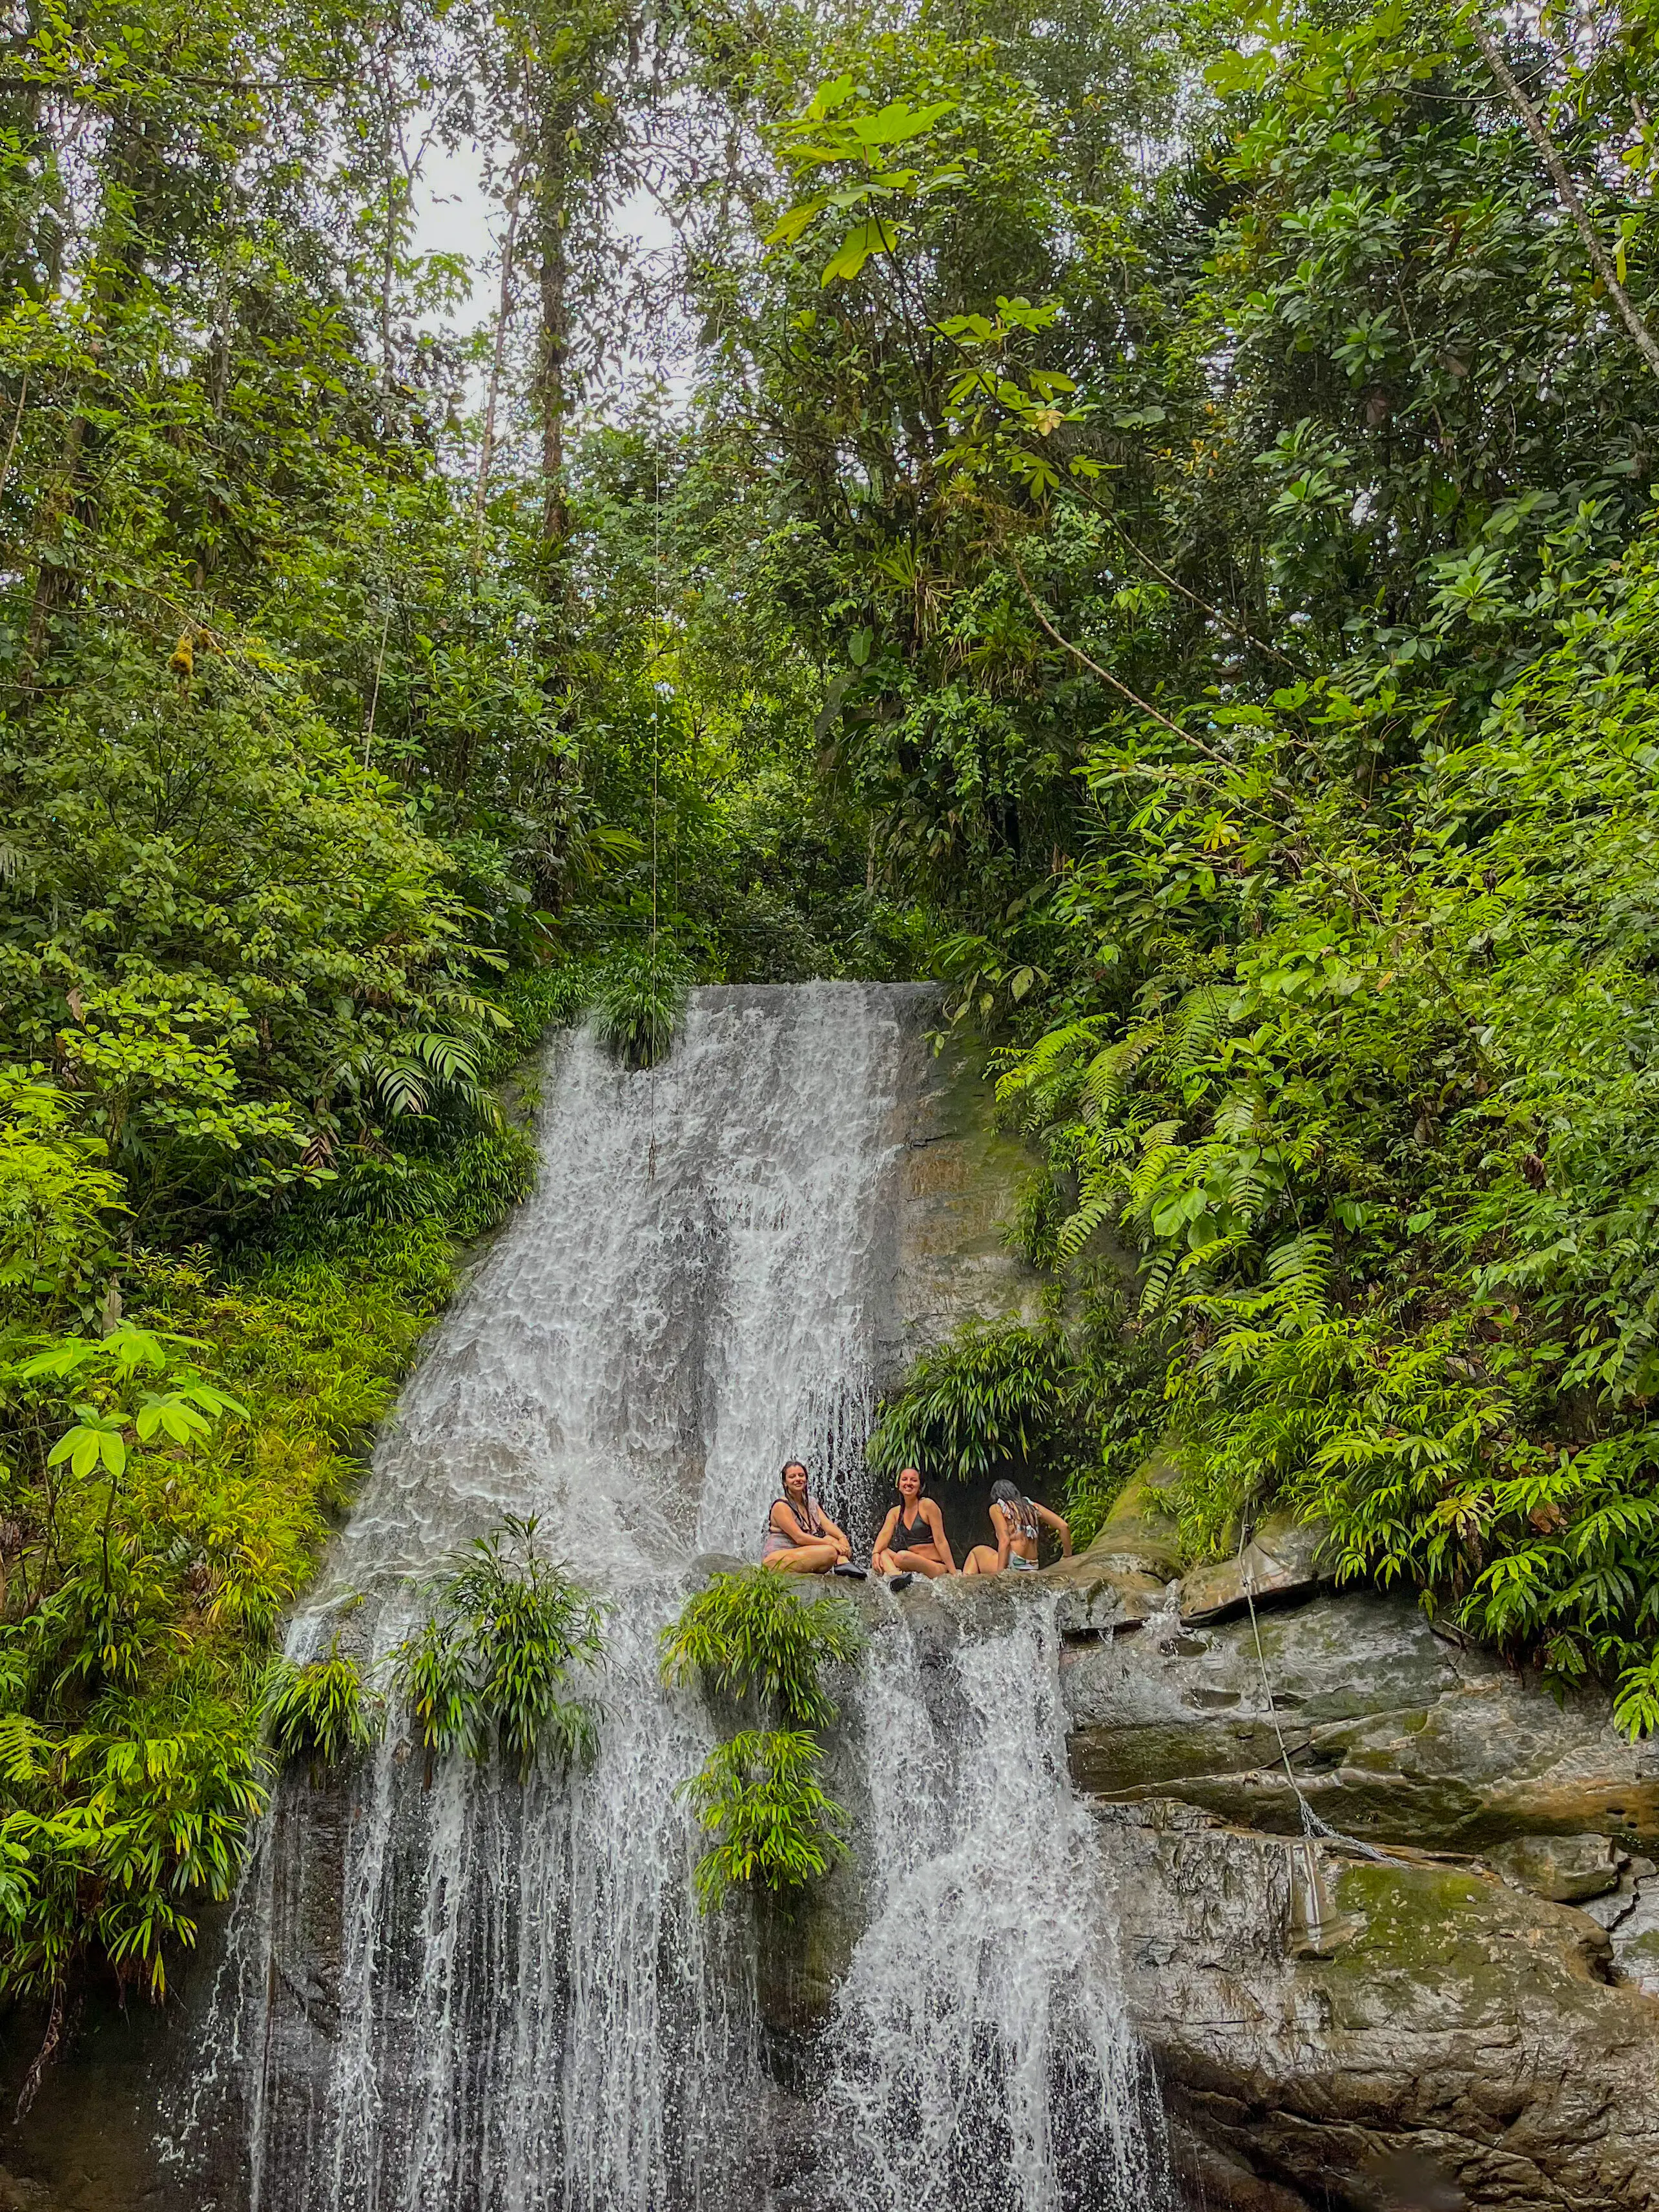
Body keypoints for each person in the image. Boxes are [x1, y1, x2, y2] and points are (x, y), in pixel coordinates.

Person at [962, 1477, 1071, 1575]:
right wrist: (1067, 1556)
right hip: (1032, 1566)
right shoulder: (1031, 1506)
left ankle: (965, 1590)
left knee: (976, 1552)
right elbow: (1064, 1526)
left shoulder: (997, 1508)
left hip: (1013, 1565)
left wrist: (999, 1575)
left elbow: (1005, 1541)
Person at [761, 1460, 852, 1575]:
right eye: (792, 1477)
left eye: (801, 1475)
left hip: (800, 1553)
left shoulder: (810, 1503)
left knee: (833, 1539)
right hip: (777, 1559)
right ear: (785, 1482)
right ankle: (843, 1564)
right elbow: (799, 1538)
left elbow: (827, 1524)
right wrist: (833, 1545)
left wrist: (842, 1538)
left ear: (806, 1478)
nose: (798, 1479)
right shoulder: (781, 1506)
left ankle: (843, 1564)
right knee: (830, 1550)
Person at [872, 1465, 955, 1587]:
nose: (909, 1483)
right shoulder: (895, 1512)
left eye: (914, 1480)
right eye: (904, 1479)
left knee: (902, 1556)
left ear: (919, 1487)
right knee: (883, 1552)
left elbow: (941, 1541)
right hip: (912, 1563)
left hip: (935, 1566)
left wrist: (953, 1572)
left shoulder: (928, 1505)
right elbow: (884, 1534)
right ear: (899, 1485)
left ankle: (895, 1576)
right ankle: (895, 1577)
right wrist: (875, 1553)